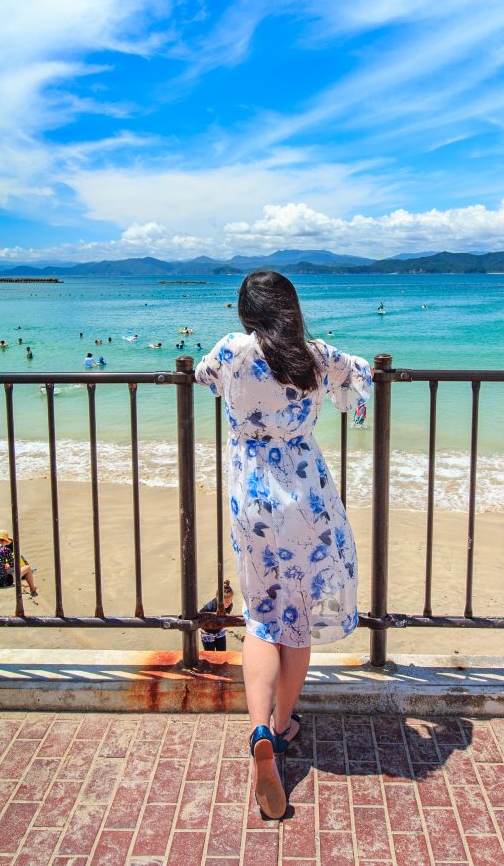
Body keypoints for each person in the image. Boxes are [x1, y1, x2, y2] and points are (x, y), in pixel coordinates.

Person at [195, 270, 372, 820]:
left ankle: (256, 729)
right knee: (297, 618)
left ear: (247, 313)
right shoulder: (316, 354)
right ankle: (282, 724)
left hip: (252, 501)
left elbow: (201, 375)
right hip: (306, 496)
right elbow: (359, 389)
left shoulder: (231, 350)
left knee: (261, 617)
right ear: (291, 309)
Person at [0, 530, 38, 597]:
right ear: (4, 540)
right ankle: (32, 589)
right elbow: (13, 565)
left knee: (8, 569)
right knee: (27, 568)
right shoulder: (5, 550)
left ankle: (23, 584)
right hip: (3, 582)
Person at [200, 580, 235, 652]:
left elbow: (226, 616)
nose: (228, 604)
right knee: (210, 655)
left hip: (219, 630)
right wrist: (202, 628)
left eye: (230, 601)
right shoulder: (209, 607)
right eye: (226, 602)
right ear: (217, 598)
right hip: (207, 632)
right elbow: (199, 617)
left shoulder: (230, 605)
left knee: (222, 652)